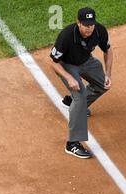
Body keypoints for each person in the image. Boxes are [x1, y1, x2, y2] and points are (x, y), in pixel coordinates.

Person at [49, 7, 113, 159]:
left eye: (91, 24)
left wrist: (108, 74)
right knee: (80, 95)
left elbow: (108, 50)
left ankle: (72, 103)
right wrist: (69, 77)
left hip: (86, 61)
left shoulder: (99, 31)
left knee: (103, 84)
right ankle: (72, 144)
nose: (89, 28)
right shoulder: (66, 36)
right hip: (67, 65)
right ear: (78, 23)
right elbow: (53, 62)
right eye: (85, 25)